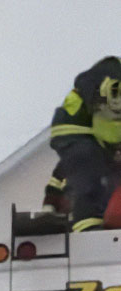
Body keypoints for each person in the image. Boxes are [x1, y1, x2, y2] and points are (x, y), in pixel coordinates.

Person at [50, 56, 121, 232]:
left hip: (78, 132)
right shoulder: (114, 84)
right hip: (78, 132)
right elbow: (106, 125)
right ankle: (87, 225)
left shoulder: (106, 76)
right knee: (90, 177)